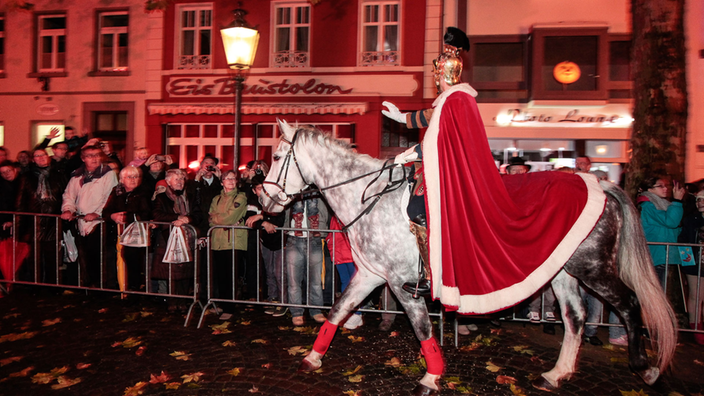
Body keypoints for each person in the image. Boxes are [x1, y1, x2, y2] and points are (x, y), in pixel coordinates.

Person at [61, 145, 118, 288]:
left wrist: (97, 213)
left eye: (97, 155)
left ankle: (103, 286)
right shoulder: (77, 175)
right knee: (84, 255)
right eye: (90, 155)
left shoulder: (108, 174)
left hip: (99, 222)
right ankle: (88, 285)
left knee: (100, 256)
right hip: (81, 221)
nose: (94, 158)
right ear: (83, 158)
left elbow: (109, 196)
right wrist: (68, 209)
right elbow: (69, 195)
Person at [152, 169, 202, 312]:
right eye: (177, 179)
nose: (180, 182)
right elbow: (157, 214)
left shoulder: (191, 197)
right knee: (172, 273)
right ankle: (173, 302)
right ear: (168, 182)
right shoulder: (161, 198)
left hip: (188, 238)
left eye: (182, 179)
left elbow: (198, 215)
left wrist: (188, 219)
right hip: (169, 239)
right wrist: (177, 218)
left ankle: (185, 301)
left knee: (186, 271)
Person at [15, 149, 67, 284]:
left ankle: (52, 284)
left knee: (52, 255)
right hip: (34, 220)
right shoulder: (27, 177)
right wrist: (20, 224)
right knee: (35, 256)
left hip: (53, 220)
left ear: (48, 157)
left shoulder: (59, 174)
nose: (41, 158)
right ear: (33, 159)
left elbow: (65, 196)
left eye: (43, 155)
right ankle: (35, 284)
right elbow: (21, 200)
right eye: (37, 156)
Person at [102, 166, 152, 292]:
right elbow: (106, 211)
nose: (133, 179)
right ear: (122, 179)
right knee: (115, 261)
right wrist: (112, 216)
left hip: (136, 234)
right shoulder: (116, 191)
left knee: (134, 263)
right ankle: (118, 288)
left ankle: (133, 290)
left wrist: (127, 216)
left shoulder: (144, 192)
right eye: (129, 177)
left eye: (136, 176)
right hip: (117, 232)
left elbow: (146, 212)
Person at [285, 193, 330, 326]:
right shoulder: (292, 192)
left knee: (315, 280)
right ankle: (297, 312)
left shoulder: (318, 193)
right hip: (294, 239)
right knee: (294, 281)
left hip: (314, 239)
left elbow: (325, 211)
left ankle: (316, 310)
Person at [246, 174, 287, 315]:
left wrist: (261, 216)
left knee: (279, 273)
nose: (262, 191)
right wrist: (263, 222)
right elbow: (249, 220)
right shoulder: (253, 202)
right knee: (269, 272)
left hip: (281, 241)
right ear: (253, 190)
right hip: (265, 241)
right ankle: (272, 298)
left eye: (264, 187)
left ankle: (283, 302)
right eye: (258, 188)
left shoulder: (276, 199)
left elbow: (280, 220)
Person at [208, 170, 247, 302]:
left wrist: (217, 219)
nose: (230, 181)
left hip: (234, 240)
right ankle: (221, 302)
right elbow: (209, 218)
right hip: (217, 241)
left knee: (231, 275)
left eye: (233, 178)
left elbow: (230, 217)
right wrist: (219, 219)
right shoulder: (216, 199)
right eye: (227, 178)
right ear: (221, 182)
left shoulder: (240, 197)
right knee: (220, 275)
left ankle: (229, 306)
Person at [677, 189, 704, 345]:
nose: (700, 203)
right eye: (698, 200)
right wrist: (687, 263)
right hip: (694, 263)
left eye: (702, 200)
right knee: (695, 295)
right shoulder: (690, 220)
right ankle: (695, 327)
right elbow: (683, 241)